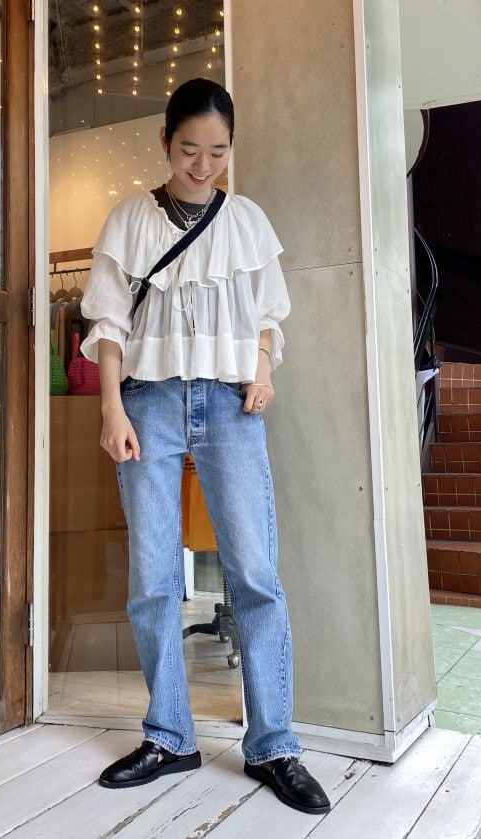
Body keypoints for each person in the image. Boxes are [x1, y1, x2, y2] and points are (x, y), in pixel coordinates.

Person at [80, 78, 330, 816]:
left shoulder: (246, 220)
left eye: (218, 151)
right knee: (153, 576)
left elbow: (268, 314)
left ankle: (273, 743)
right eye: (190, 149)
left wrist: (262, 371)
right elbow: (107, 324)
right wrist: (111, 408)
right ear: (165, 141)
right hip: (148, 404)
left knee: (254, 572)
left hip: (228, 402)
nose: (203, 164)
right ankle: (170, 736)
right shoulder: (129, 219)